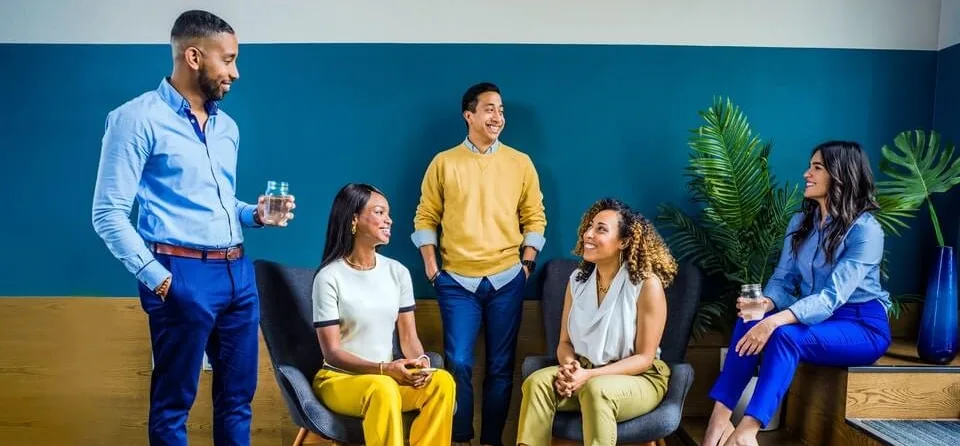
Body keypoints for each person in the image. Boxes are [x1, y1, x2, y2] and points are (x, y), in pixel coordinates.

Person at [91, 10, 295, 446]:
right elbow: (108, 213)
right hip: (180, 274)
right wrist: (160, 280)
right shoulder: (135, 119)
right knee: (173, 407)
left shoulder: (227, 127)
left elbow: (215, 202)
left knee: (238, 400)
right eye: (229, 60)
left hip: (238, 273)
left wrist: (253, 214)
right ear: (194, 57)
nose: (236, 73)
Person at [701, 141, 893, 446]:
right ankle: (719, 422)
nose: (806, 174)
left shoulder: (866, 231)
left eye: (817, 168)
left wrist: (774, 321)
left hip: (860, 324)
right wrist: (765, 303)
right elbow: (782, 277)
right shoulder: (801, 222)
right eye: (810, 166)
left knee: (785, 335)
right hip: (812, 314)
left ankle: (747, 431)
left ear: (840, 175)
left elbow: (831, 297)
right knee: (751, 318)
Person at [411, 82, 547, 445]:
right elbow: (425, 216)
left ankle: (491, 440)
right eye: (489, 109)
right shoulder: (444, 162)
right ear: (469, 115)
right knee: (457, 361)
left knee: (501, 368)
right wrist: (432, 269)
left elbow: (535, 216)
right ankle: (460, 438)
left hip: (508, 278)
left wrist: (527, 264)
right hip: (456, 282)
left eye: (501, 110)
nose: (497, 116)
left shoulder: (521, 162)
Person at [516, 198, 677, 446]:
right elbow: (564, 343)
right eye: (589, 226)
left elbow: (644, 358)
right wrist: (571, 369)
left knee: (596, 389)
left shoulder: (646, 285)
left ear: (624, 241)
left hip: (639, 378)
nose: (588, 234)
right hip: (584, 371)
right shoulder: (577, 281)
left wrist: (589, 376)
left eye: (601, 229)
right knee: (537, 383)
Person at [312, 183, 456, 446]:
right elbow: (332, 352)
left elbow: (409, 338)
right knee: (384, 388)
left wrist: (420, 364)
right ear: (354, 219)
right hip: (339, 380)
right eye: (379, 212)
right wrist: (384, 369)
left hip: (385, 378)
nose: (389, 220)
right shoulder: (329, 277)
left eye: (388, 213)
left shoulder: (397, 272)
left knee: (442, 382)